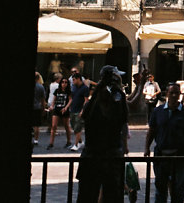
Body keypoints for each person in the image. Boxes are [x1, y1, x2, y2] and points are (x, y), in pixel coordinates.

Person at [76, 65, 129, 202]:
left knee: (88, 196)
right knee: (109, 196)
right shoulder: (115, 100)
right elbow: (124, 116)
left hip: (93, 157)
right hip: (108, 158)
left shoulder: (94, 102)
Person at [145, 82, 184, 203]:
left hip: (179, 155)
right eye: (171, 93)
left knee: (178, 188)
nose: (174, 95)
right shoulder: (158, 111)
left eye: (176, 93)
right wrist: (146, 147)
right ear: (167, 94)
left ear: (180, 94)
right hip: (161, 155)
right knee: (160, 187)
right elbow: (151, 131)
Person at [48, 77, 73, 149]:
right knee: (54, 126)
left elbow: (70, 100)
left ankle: (69, 141)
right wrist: (52, 106)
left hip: (64, 109)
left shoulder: (68, 91)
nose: (64, 84)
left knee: (66, 126)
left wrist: (66, 107)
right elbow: (54, 99)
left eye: (65, 82)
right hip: (57, 109)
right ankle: (51, 143)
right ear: (60, 83)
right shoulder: (57, 90)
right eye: (62, 82)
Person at [68, 73, 90, 150]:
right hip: (73, 109)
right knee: (74, 127)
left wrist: (82, 110)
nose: (73, 81)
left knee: (78, 127)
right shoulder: (74, 87)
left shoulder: (85, 88)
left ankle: (76, 144)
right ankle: (80, 142)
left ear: (78, 79)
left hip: (79, 110)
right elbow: (72, 98)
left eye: (74, 80)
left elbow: (86, 100)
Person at [33, 72, 47, 146]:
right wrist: (43, 109)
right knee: (36, 125)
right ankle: (36, 140)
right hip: (37, 107)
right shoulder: (40, 87)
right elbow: (43, 100)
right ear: (38, 78)